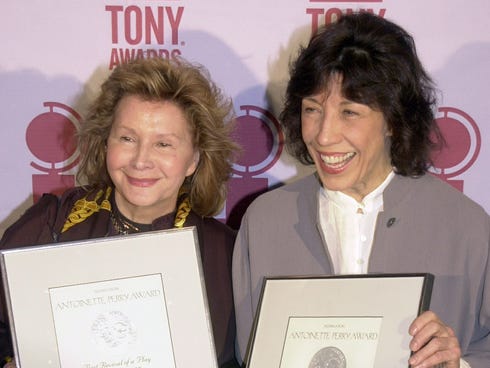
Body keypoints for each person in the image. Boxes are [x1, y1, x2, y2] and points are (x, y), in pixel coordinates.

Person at [232, 12, 489, 368]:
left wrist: (457, 363)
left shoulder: (467, 227)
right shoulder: (264, 222)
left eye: (349, 112)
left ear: (394, 121)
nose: (323, 136)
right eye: (312, 109)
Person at [0, 56, 240, 367]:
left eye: (163, 144)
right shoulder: (51, 225)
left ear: (194, 158)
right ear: (105, 144)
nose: (141, 160)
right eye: (127, 138)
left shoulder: (227, 253)